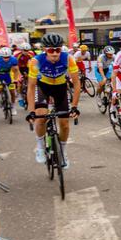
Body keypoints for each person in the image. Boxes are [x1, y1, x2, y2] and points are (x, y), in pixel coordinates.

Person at [26, 33, 81, 168]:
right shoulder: (36, 61)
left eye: (58, 49)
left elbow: (77, 84)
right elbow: (31, 87)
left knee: (64, 124)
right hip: (43, 87)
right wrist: (31, 110)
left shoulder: (68, 59)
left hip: (60, 88)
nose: (55, 53)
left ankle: (62, 152)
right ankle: (40, 147)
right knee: (41, 118)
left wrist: (74, 107)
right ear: (45, 50)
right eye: (51, 50)